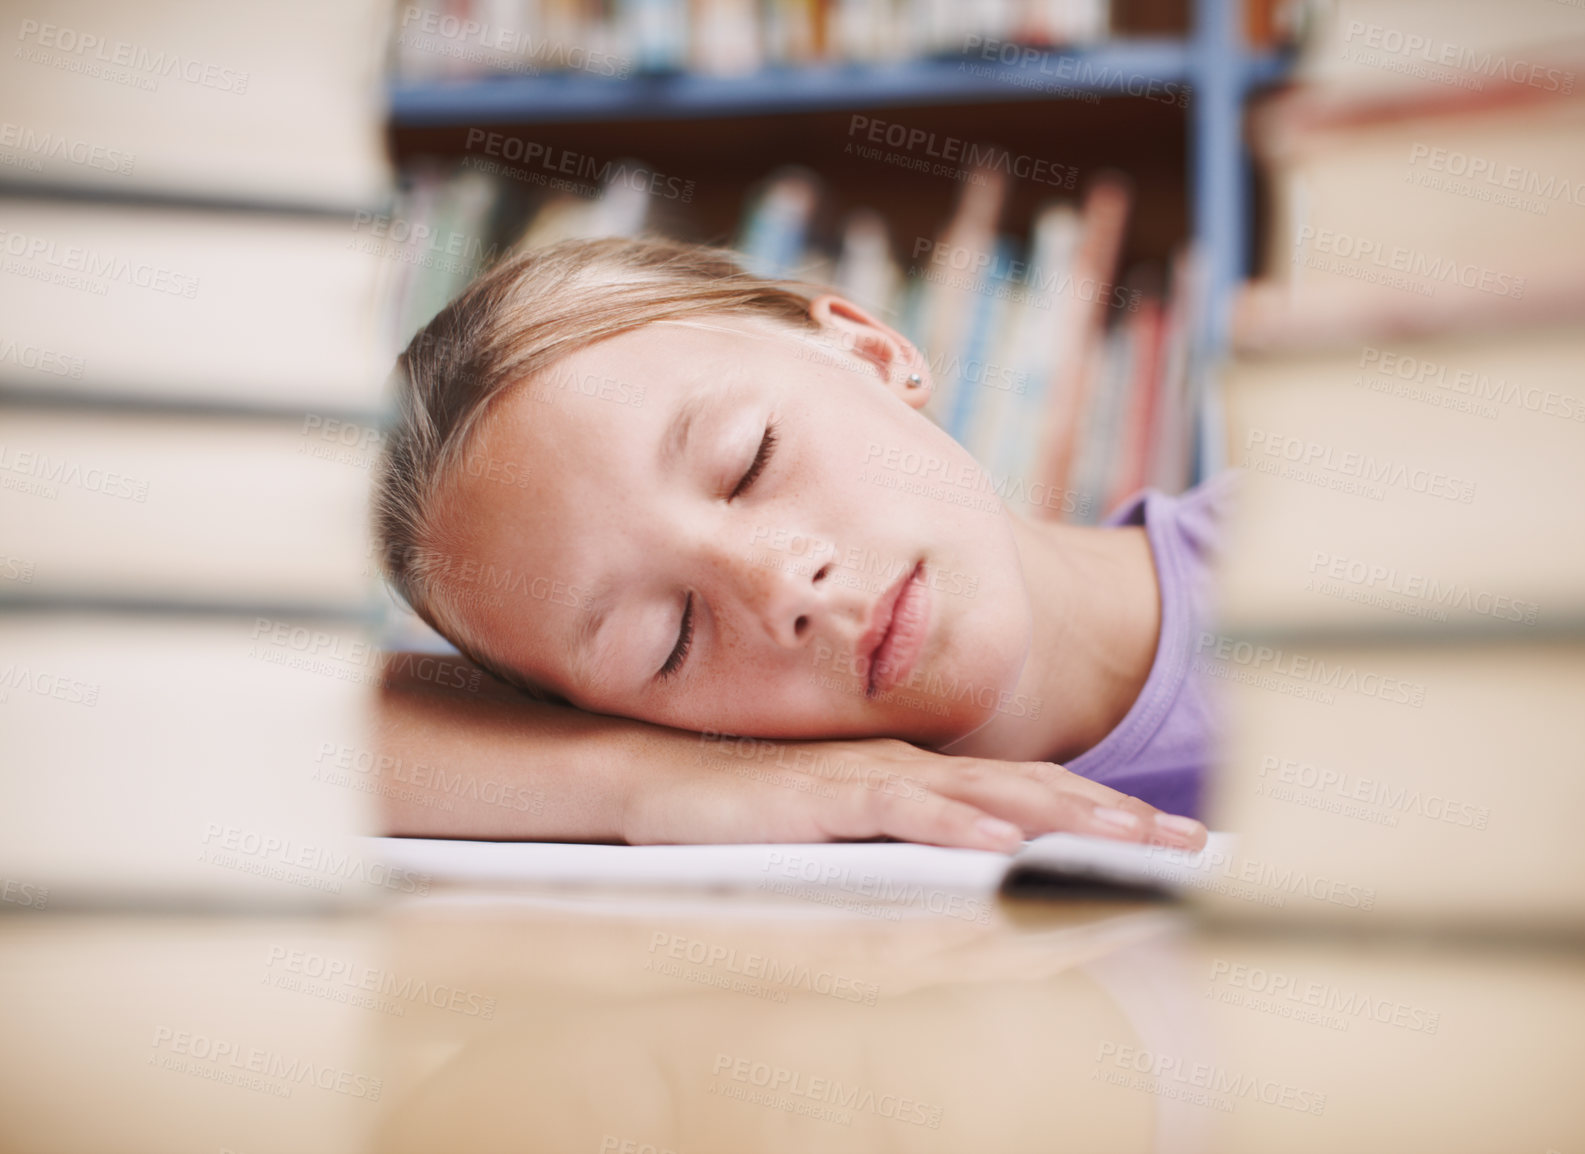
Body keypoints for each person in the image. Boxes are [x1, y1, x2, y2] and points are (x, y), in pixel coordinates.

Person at [371, 236, 1223, 853]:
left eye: (750, 461)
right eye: (668, 641)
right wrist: (645, 781)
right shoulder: (796, 827)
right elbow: (256, 724)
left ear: (870, 350)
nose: (782, 588)